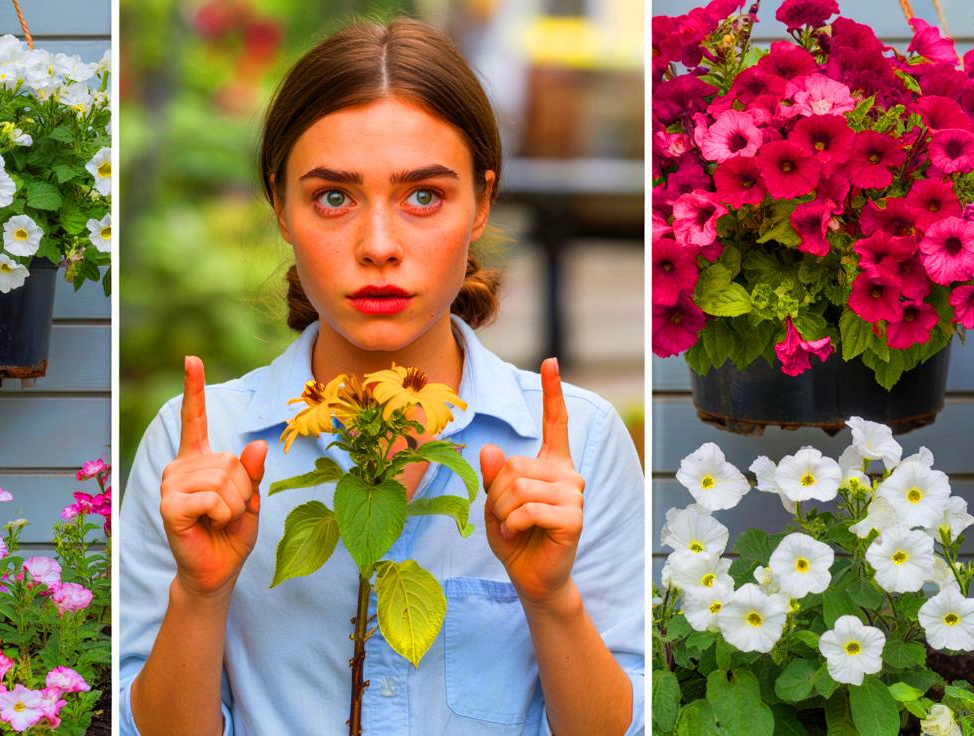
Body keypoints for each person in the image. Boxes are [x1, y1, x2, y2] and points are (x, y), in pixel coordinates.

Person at [119, 17, 645, 736]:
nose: (378, 246)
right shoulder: (201, 455)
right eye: (333, 196)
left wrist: (551, 599)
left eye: (423, 195)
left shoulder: (579, 444)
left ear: (482, 203)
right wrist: (200, 594)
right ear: (280, 206)